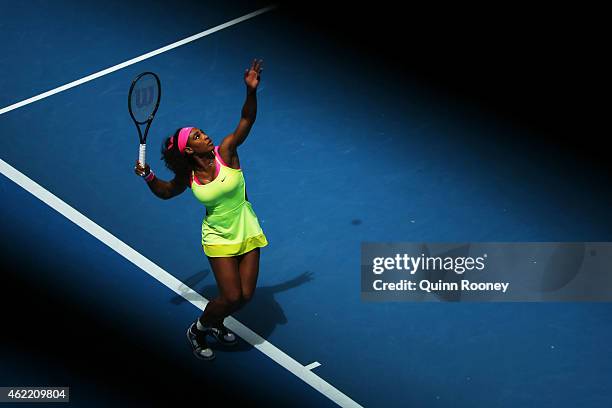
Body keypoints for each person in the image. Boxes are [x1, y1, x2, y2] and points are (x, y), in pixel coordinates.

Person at [134, 59, 268, 360]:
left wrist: (251, 92)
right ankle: (198, 328)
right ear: (189, 151)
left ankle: (216, 322)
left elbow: (247, 120)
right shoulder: (188, 177)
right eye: (196, 136)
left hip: (247, 227)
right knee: (231, 296)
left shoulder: (227, 152)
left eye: (201, 131)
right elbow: (167, 193)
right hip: (217, 237)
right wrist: (148, 176)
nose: (204, 135)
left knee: (245, 297)